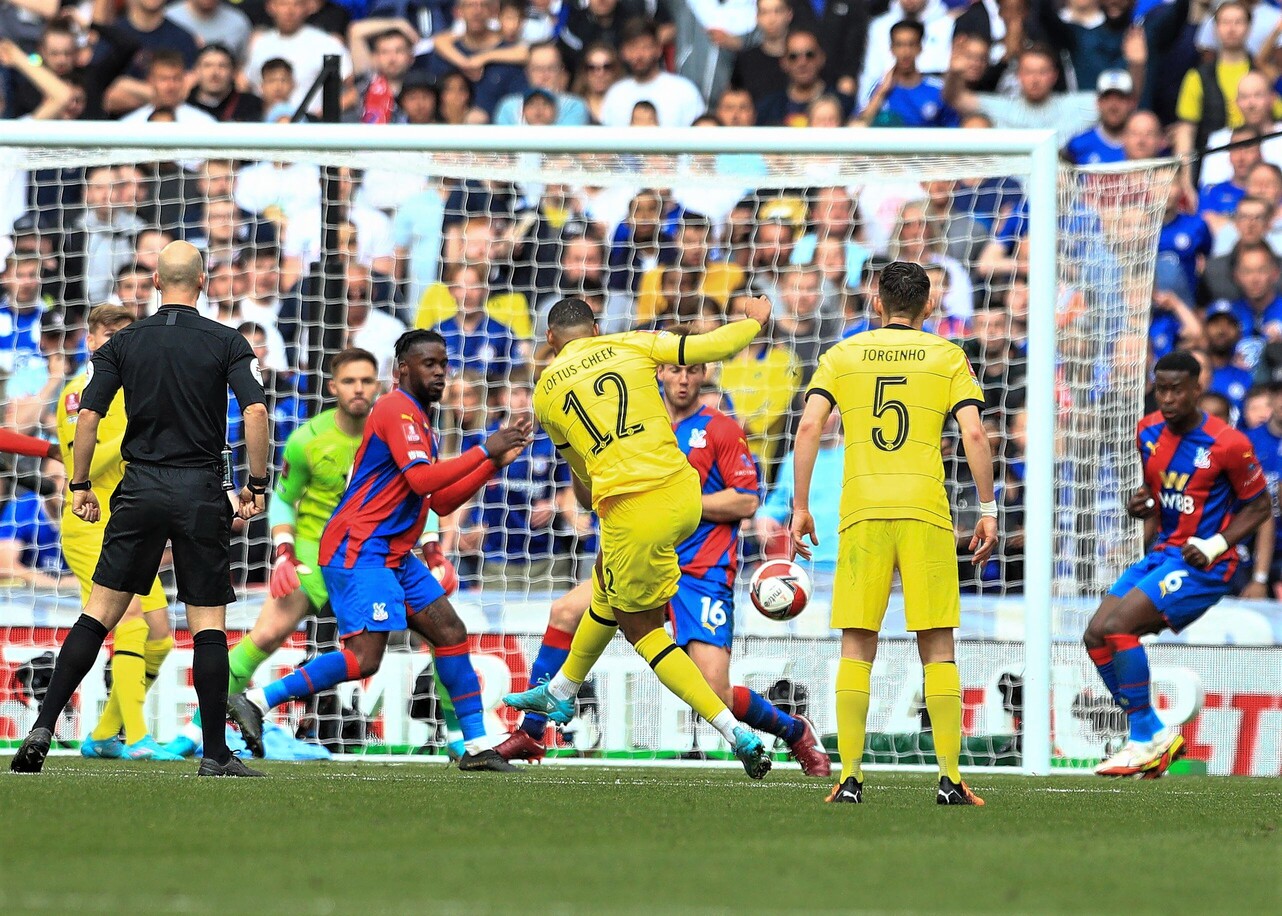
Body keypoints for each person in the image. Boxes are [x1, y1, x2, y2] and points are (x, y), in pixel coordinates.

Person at [496, 346, 831, 775]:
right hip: (639, 557)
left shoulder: (721, 429)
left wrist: (673, 502)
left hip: (701, 570)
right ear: (660, 373)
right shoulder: (636, 425)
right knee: (564, 612)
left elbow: (746, 499)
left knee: (715, 692)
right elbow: (589, 493)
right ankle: (530, 731)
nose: (683, 379)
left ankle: (794, 730)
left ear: (705, 372)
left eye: (692, 370)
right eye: (675, 370)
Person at [9, 241, 271, 777]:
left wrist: (79, 483)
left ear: (155, 282)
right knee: (207, 627)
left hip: (139, 489)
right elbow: (257, 411)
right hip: (199, 489)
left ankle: (43, 725)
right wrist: (256, 486)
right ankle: (216, 754)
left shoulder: (123, 343)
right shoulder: (227, 342)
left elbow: (87, 419)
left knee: (99, 614)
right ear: (201, 281)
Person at [227, 330, 532, 772]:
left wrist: (491, 464)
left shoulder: (421, 421)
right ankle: (255, 699)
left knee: (450, 632)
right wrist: (486, 448)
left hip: (392, 553)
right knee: (365, 659)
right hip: (359, 548)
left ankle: (475, 745)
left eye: (443, 363)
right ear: (401, 370)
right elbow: (425, 481)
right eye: (429, 363)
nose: (440, 371)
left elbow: (439, 501)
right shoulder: (394, 410)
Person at [790, 260, 996, 806]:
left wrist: (801, 507)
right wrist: (989, 506)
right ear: (929, 306)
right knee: (938, 646)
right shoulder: (948, 356)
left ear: (876, 302)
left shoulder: (842, 354)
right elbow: (973, 431)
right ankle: (950, 778)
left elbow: (809, 425)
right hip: (925, 509)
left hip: (861, 510)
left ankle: (850, 777)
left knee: (858, 644)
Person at [163, 348, 391, 757]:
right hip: (312, 555)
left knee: (438, 628)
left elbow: (415, 490)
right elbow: (284, 501)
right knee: (263, 638)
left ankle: (465, 739)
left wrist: (431, 547)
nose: (359, 389)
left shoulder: (390, 434)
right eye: (351, 380)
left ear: (379, 385)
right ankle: (195, 734)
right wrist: (284, 553)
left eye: (367, 380)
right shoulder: (309, 439)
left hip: (370, 560)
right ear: (334, 386)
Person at [1086, 350, 1271, 776]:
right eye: (1160, 388)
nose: (1166, 398)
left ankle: (1143, 737)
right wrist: (1143, 503)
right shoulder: (1147, 431)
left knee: (1118, 628)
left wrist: (1217, 543)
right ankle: (1152, 732)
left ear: (1196, 389)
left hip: (1205, 565)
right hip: (1164, 553)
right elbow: (1158, 497)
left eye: (1175, 389)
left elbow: (1259, 507)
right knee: (1095, 633)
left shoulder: (1228, 443)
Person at [54, 305, 179, 762]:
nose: (116, 342)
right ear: (90, 341)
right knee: (128, 623)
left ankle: (106, 733)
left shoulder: (139, 390)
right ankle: (139, 737)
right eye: (107, 335)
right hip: (90, 523)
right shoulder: (78, 393)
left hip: (133, 521)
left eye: (124, 335)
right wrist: (136, 430)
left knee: (162, 636)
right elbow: (78, 466)